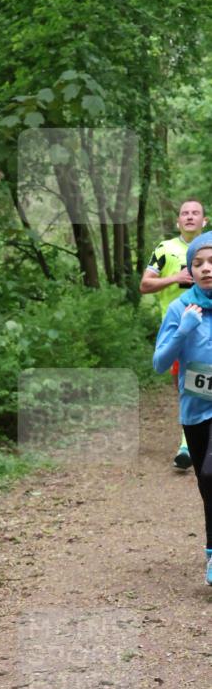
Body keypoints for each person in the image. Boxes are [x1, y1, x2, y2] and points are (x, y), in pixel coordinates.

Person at [153, 230, 212, 586]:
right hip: (195, 410)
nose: (206, 269)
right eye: (198, 263)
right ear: (190, 269)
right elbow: (160, 363)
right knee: (209, 490)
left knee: (210, 475)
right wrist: (184, 330)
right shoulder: (180, 309)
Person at [141, 199, 208, 470]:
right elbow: (145, 284)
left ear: (205, 221)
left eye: (195, 213)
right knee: (190, 386)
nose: (190, 217)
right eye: (184, 214)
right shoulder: (164, 249)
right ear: (178, 221)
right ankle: (190, 439)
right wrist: (175, 278)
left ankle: (186, 445)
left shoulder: (209, 248)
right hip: (178, 332)